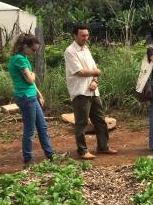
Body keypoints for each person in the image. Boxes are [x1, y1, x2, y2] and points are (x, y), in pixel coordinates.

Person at [64, 24, 117, 160]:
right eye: (82, 35)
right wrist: (96, 72)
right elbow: (80, 72)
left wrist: (95, 81)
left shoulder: (86, 49)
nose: (85, 38)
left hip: (93, 91)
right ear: (75, 36)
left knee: (100, 120)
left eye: (87, 35)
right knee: (81, 123)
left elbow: (93, 68)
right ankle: (82, 150)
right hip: (80, 92)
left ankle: (103, 146)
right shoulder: (70, 51)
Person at [8, 33, 55, 167]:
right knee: (30, 129)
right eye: (33, 50)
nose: (34, 53)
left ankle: (50, 155)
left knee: (42, 126)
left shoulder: (23, 57)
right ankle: (28, 159)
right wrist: (34, 74)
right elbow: (30, 79)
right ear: (25, 46)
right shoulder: (19, 60)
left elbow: (31, 83)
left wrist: (39, 94)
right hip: (26, 97)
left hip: (31, 96)